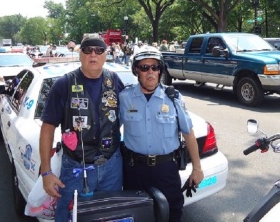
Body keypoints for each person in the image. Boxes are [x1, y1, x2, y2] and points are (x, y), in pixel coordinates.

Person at [40, 34, 125, 222]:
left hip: (111, 165)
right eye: (87, 50)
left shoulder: (114, 81)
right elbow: (47, 127)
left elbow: (132, 114)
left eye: (99, 50)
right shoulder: (64, 84)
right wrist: (46, 171)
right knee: (70, 216)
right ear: (80, 54)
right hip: (75, 168)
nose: (93, 54)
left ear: (106, 54)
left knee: (109, 216)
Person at [119, 47, 204, 222]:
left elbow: (188, 133)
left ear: (160, 70)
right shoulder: (124, 97)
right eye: (144, 68)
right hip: (135, 170)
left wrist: (197, 168)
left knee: (172, 213)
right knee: (136, 215)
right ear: (136, 71)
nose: (150, 72)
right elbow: (110, 131)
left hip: (166, 170)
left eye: (155, 67)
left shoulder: (173, 97)